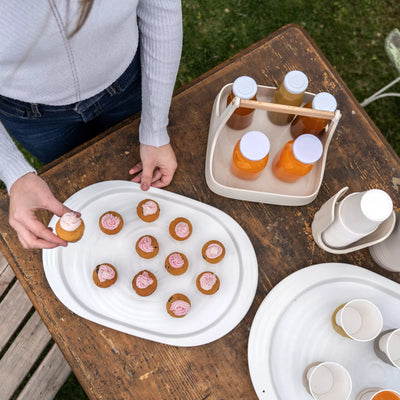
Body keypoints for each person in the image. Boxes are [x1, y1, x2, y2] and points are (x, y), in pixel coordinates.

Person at [0, 0, 182, 250]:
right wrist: (14, 172)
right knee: (82, 190)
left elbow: (161, 10)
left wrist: (154, 128)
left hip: (127, 86)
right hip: (34, 117)